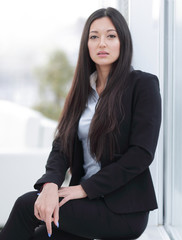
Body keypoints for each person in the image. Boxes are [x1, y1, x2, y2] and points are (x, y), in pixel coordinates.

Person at [0, 7, 161, 240]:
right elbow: (61, 146)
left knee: (27, 206)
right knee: (39, 236)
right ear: (86, 45)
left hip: (123, 210)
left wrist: (83, 189)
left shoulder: (142, 85)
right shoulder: (81, 91)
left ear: (123, 42)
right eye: (94, 36)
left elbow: (141, 154)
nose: (102, 43)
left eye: (111, 36)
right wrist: (51, 186)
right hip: (82, 202)